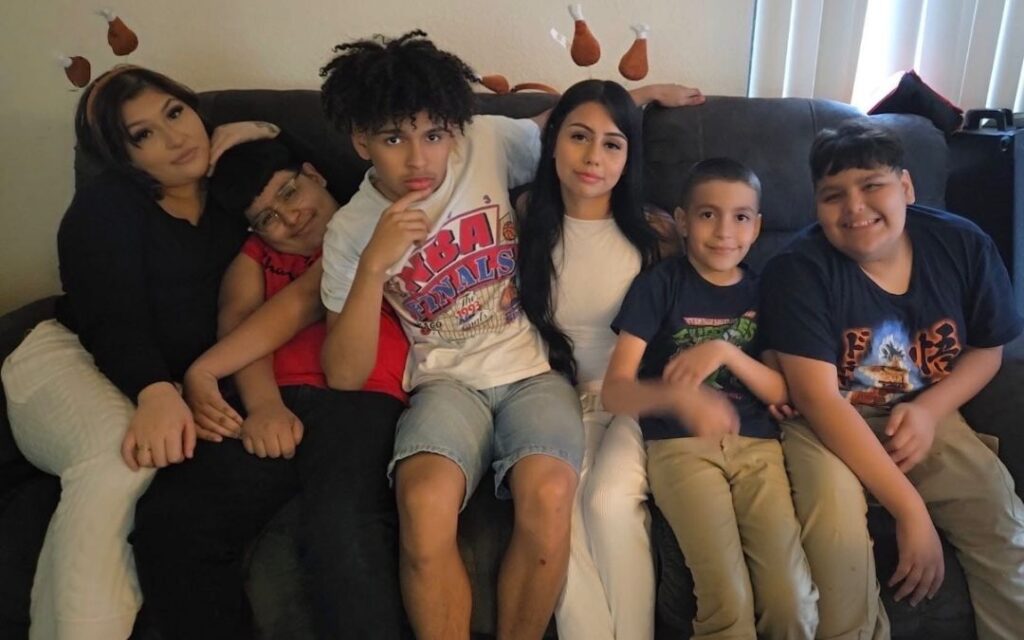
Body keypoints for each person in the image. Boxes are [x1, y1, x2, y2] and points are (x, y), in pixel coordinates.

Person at [316, 30, 702, 639]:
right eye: (393, 139)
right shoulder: (349, 230)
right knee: (423, 502)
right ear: (360, 140)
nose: (419, 159)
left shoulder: (487, 142)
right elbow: (343, 372)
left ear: (453, 127)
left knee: (550, 493)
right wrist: (372, 265)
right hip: (446, 385)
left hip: (533, 373)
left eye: (434, 135)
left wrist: (643, 94)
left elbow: (571, 129)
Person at [0, 65, 276, 640]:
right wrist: (156, 392)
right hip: (68, 359)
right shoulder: (104, 208)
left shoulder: (231, 195)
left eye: (175, 113)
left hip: (163, 379)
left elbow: (325, 175)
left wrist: (258, 128)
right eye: (143, 134)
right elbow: (110, 319)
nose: (175, 138)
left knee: (147, 481)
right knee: (119, 455)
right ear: (123, 157)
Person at [129, 138, 413, 640]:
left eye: (290, 192)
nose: (290, 217)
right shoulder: (255, 257)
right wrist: (263, 406)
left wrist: (206, 372)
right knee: (170, 522)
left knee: (342, 528)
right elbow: (239, 323)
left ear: (315, 173)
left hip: (363, 399)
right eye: (267, 219)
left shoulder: (369, 222)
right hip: (273, 399)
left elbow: (306, 300)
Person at [759, 120, 1024, 639]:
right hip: (829, 421)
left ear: (906, 186)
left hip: (925, 411)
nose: (854, 207)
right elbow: (817, 399)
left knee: (998, 519)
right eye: (833, 195)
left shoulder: (962, 244)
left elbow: (987, 349)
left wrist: (930, 410)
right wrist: (909, 509)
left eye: (871, 185)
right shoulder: (797, 270)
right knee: (839, 549)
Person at [601, 158, 819, 638]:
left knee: (792, 601)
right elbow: (614, 392)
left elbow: (782, 389)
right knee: (727, 598)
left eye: (740, 217)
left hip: (758, 447)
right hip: (681, 449)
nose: (724, 231)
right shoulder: (659, 285)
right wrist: (679, 399)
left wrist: (724, 352)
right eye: (707, 215)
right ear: (682, 221)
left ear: (757, 226)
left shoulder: (764, 292)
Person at [517, 78, 686, 639]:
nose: (593, 157)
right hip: (551, 401)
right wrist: (640, 90)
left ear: (629, 156)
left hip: (630, 401)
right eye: (578, 137)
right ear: (552, 142)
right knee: (558, 514)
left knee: (610, 503)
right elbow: (481, 138)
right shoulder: (524, 217)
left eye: (612, 144)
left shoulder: (655, 233)